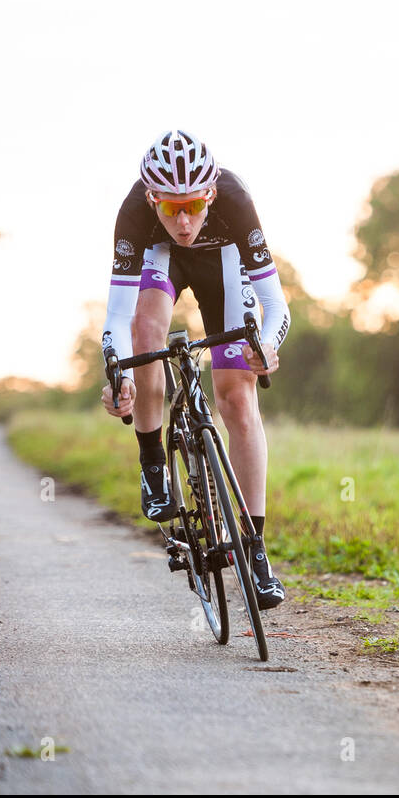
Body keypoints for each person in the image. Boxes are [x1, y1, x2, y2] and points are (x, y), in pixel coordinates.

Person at [99, 129, 288, 608]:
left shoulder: (236, 201)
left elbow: (275, 303)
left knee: (238, 397)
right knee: (146, 334)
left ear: (210, 195)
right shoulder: (134, 214)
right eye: (169, 208)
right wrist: (117, 374)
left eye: (193, 207)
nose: (183, 221)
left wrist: (264, 346)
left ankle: (254, 550)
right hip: (159, 261)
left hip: (223, 263)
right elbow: (117, 318)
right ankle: (153, 462)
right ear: (151, 200)